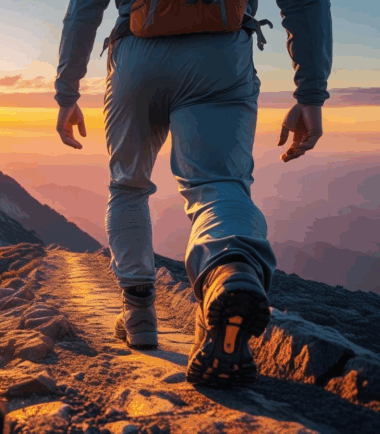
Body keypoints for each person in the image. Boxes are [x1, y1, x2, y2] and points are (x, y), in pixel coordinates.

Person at [55, 0, 331, 387]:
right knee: (218, 184)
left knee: (128, 184)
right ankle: (228, 269)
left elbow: (84, 8)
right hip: (221, 56)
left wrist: (67, 93)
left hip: (136, 56)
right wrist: (311, 94)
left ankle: (138, 313)